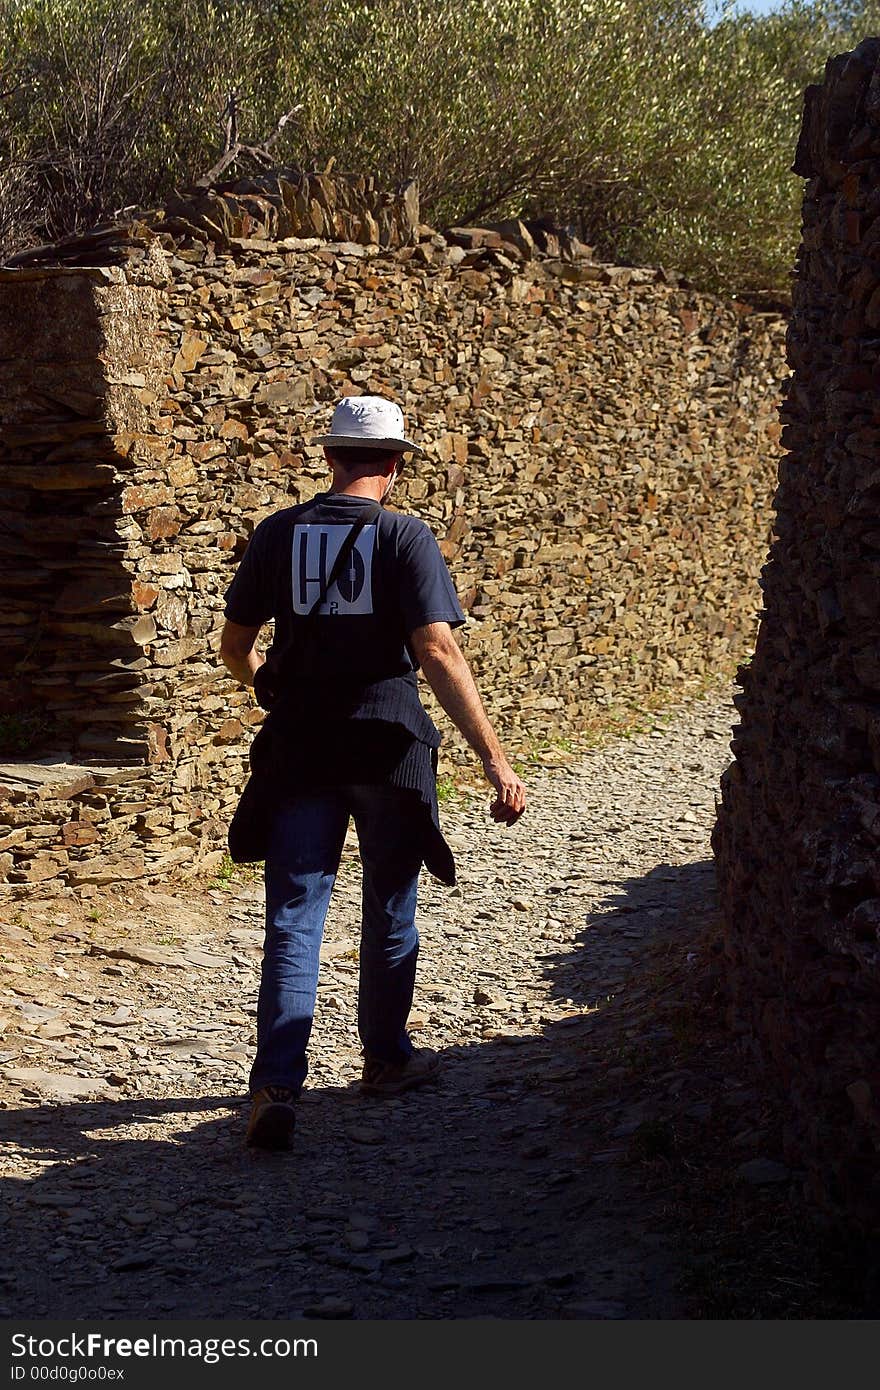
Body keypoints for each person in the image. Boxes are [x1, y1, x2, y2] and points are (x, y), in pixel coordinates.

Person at [219, 395, 526, 1151]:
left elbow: (234, 645)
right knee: (389, 905)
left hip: (301, 749)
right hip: (388, 746)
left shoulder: (279, 533)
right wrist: (494, 758)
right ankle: (385, 1060)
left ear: (330, 459)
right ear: (394, 463)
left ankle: (274, 1086)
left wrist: (266, 681)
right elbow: (439, 652)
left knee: (295, 914)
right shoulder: (405, 535)